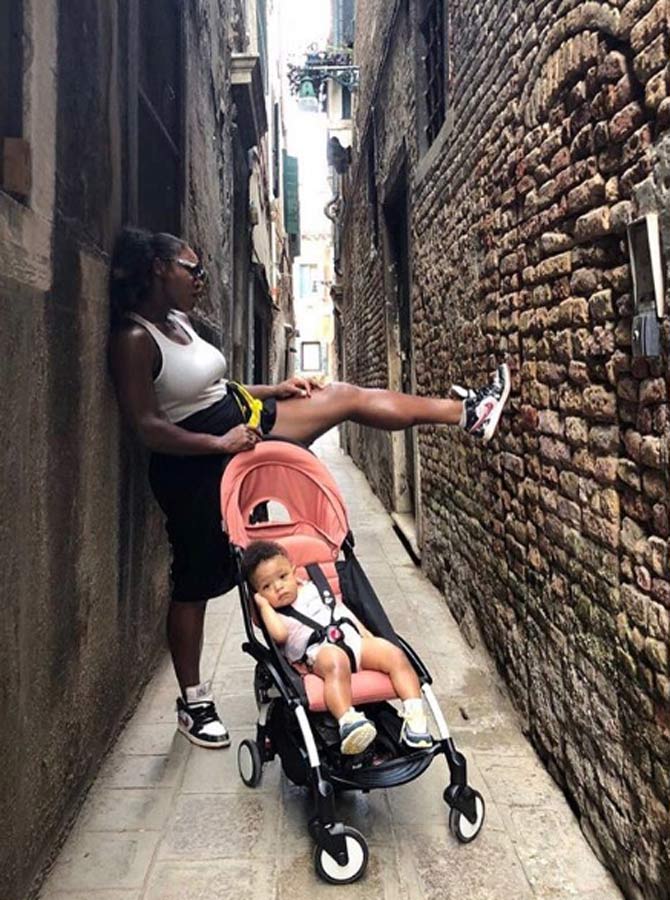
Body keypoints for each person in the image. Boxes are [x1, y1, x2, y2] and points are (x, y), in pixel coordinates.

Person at [108, 226, 510, 749]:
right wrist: (220, 445)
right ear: (160, 270)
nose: (201, 280)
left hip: (240, 423)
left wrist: (275, 389)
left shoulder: (181, 322)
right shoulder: (134, 337)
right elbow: (146, 425)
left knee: (342, 395)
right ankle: (193, 700)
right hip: (194, 460)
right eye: (192, 269)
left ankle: (468, 412)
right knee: (195, 579)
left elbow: (211, 387)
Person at [242, 540, 432, 754]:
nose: (278, 587)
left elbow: (342, 611)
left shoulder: (313, 588)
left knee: (395, 655)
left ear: (294, 573)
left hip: (354, 643)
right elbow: (280, 635)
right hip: (320, 653)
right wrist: (263, 605)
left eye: (283, 577)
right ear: (257, 593)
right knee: (336, 661)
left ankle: (415, 718)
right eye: (266, 587)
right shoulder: (275, 614)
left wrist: (366, 635)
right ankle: (348, 720)